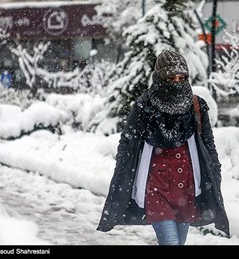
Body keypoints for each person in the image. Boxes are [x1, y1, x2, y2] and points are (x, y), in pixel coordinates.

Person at [96, 50, 230, 245]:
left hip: (187, 189)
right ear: (160, 78)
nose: (177, 82)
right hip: (156, 188)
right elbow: (127, 143)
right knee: (170, 243)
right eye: (171, 77)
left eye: (181, 77)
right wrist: (122, 175)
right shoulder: (145, 106)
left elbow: (209, 145)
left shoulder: (196, 106)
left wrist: (215, 174)